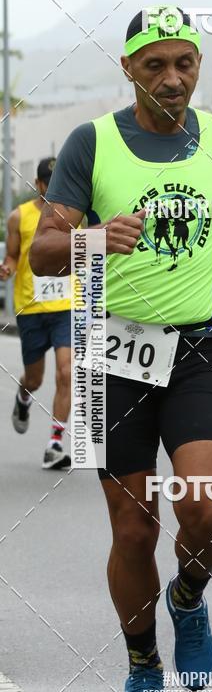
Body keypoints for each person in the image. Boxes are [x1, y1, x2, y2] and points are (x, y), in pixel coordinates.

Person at [30, 7, 212, 692]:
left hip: (195, 350)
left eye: (183, 63)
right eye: (154, 65)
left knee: (209, 509)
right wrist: (95, 238)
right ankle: (141, 664)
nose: (171, 78)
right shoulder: (91, 142)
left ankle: (187, 597)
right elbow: (43, 255)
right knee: (134, 531)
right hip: (112, 354)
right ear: (128, 67)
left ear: (199, 66)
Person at [0, 157, 72, 469]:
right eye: (48, 183)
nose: (53, 188)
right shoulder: (19, 216)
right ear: (39, 184)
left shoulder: (75, 214)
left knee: (66, 372)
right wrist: (7, 268)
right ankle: (23, 396)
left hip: (66, 307)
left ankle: (55, 444)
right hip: (31, 308)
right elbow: (13, 256)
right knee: (35, 378)